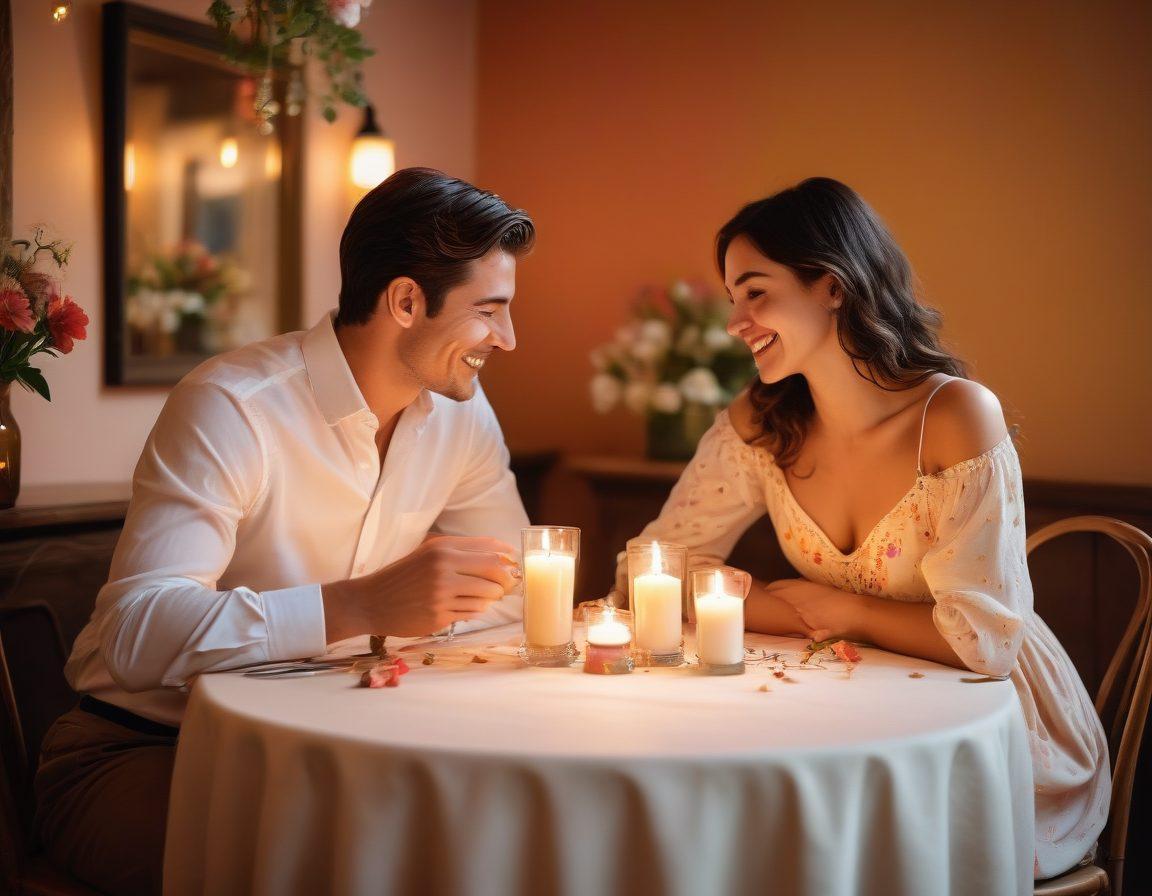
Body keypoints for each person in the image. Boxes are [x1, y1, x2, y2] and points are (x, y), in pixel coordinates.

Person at [35, 168, 536, 896]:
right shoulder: (233, 407)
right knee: (359, 864)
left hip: (338, 752)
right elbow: (138, 635)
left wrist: (392, 623)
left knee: (476, 846)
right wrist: (358, 608)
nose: (509, 339)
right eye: (490, 310)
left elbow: (517, 587)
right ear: (405, 300)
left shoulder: (461, 415)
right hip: (142, 751)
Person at [614, 177, 1108, 880]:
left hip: (990, 738)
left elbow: (984, 643)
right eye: (733, 299)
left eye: (756, 291)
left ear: (833, 286)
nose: (736, 321)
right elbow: (651, 570)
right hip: (841, 698)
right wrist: (804, 617)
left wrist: (844, 611)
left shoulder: (957, 416)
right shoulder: (762, 420)